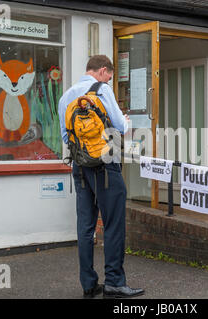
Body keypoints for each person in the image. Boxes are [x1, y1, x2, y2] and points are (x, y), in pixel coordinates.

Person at [58, 55, 144, 298]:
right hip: (106, 165)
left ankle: (88, 284)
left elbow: (66, 138)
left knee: (85, 227)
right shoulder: (102, 90)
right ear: (103, 71)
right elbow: (117, 125)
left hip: (79, 166)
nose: (109, 81)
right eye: (109, 76)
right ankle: (115, 282)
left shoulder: (67, 96)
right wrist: (126, 123)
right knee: (113, 224)